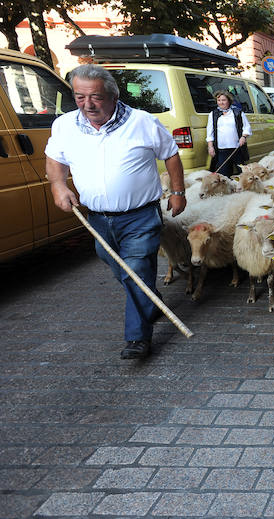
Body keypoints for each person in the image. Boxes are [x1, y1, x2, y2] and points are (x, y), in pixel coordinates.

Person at [45, 64, 186, 360]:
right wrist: (58, 186)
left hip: (140, 215)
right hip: (97, 218)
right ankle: (151, 301)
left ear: (113, 95)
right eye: (79, 97)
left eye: (94, 97)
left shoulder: (142, 122)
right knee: (118, 266)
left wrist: (178, 192)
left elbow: (171, 154)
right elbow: (55, 159)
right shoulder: (65, 125)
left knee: (135, 271)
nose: (87, 104)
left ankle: (137, 338)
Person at [205, 91, 251, 177]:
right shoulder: (213, 114)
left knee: (243, 174)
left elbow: (247, 127)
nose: (221, 102)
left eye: (223, 100)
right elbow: (210, 133)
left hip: (236, 149)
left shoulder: (237, 112)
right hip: (222, 150)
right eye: (219, 100)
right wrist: (210, 147)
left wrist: (243, 137)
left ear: (229, 101)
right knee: (223, 175)